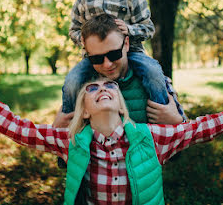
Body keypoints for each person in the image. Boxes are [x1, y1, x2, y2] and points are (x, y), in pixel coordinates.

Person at [0, 52, 223, 204]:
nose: (102, 89)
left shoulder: (152, 138)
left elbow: (205, 127)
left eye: (109, 88)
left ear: (121, 105)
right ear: (82, 109)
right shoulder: (70, 142)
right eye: (93, 89)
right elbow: (14, 126)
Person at [63, 0, 170, 117]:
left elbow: (148, 28)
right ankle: (69, 121)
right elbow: (73, 28)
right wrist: (83, 40)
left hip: (131, 53)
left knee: (153, 72)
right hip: (95, 57)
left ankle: (162, 114)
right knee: (72, 80)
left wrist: (130, 30)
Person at [54, 13, 185, 129]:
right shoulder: (80, 88)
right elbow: (66, 145)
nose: (107, 64)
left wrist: (177, 121)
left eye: (114, 54)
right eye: (96, 58)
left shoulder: (155, 81)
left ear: (126, 44)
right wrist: (57, 128)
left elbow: (186, 135)